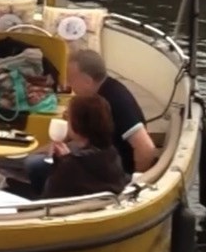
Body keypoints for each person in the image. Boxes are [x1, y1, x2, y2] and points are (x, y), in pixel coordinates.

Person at [23, 49, 157, 194]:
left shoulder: (117, 100)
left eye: (71, 79)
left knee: (35, 165)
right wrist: (37, 151)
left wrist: (132, 186)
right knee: (34, 160)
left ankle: (49, 198)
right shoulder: (97, 96)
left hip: (114, 172)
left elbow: (146, 149)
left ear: (87, 80)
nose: (68, 84)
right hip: (101, 158)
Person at [40, 94, 131, 200]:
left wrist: (65, 162)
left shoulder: (70, 167)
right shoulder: (112, 153)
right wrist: (66, 158)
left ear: (78, 123)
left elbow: (49, 198)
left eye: (68, 116)